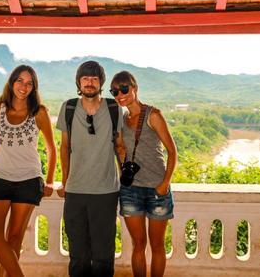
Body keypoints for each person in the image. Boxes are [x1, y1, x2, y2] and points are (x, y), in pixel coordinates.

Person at [0, 64, 56, 277]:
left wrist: (49, 180)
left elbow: (51, 147)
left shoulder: (39, 112)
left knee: (14, 239)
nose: (23, 86)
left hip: (28, 180)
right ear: (12, 82)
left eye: (29, 83)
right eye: (20, 80)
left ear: (33, 87)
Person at [56, 60, 125, 277]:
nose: (89, 82)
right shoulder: (68, 108)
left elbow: (120, 147)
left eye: (94, 78)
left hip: (106, 191)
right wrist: (64, 181)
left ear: (101, 83)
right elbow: (64, 148)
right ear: (79, 82)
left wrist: (127, 181)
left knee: (104, 252)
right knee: (78, 252)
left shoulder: (114, 109)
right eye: (85, 78)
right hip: (75, 190)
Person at [110, 71, 177, 277]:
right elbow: (120, 149)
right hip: (131, 190)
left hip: (157, 188)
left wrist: (165, 183)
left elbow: (172, 151)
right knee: (138, 244)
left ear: (134, 88)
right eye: (115, 91)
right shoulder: (122, 119)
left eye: (124, 89)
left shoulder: (153, 115)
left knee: (157, 246)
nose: (120, 94)